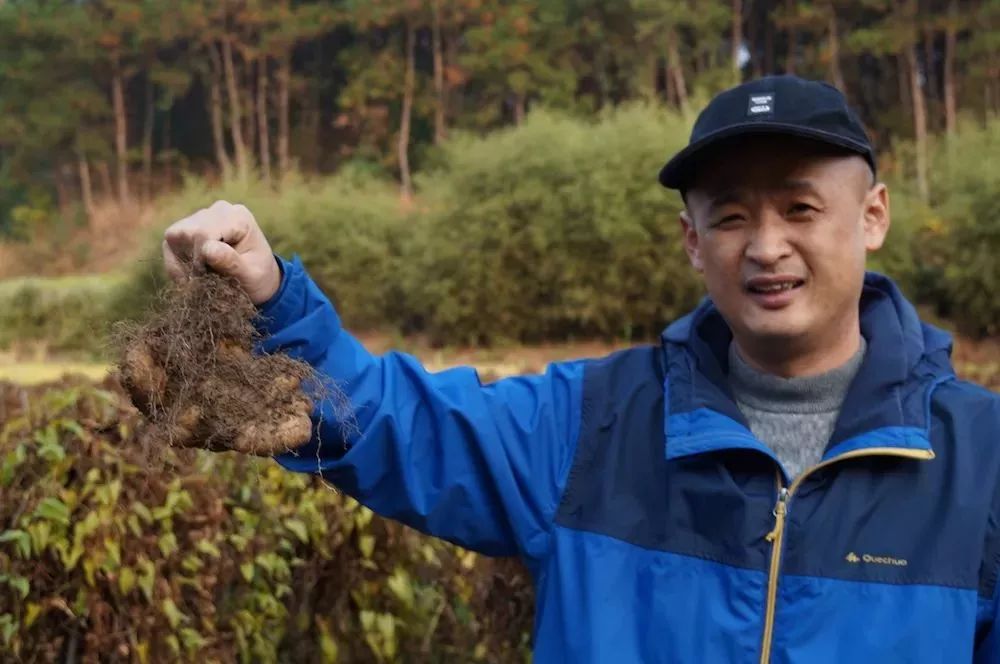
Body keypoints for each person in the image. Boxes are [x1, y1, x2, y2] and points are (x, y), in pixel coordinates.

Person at [162, 75, 1000, 663]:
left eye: (801, 208)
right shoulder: (591, 423)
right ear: (692, 241)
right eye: (733, 215)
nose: (768, 245)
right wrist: (271, 296)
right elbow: (402, 423)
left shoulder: (981, 462)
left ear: (874, 216)